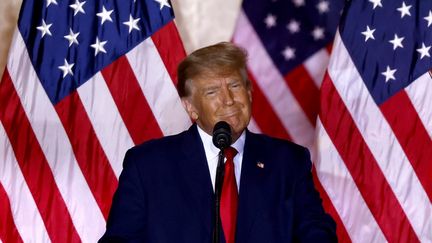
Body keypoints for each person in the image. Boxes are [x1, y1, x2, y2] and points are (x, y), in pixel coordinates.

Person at [99, 42, 337, 242]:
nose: (229, 100)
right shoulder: (148, 165)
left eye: (234, 86)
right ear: (190, 107)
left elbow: (316, 234)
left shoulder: (288, 161)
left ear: (249, 92)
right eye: (212, 92)